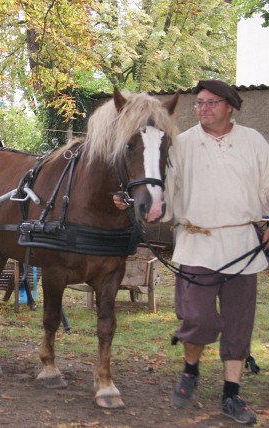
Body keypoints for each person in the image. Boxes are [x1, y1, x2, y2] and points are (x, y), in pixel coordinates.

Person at [114, 80, 269, 424]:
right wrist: (137, 203)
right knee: (197, 318)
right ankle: (190, 370)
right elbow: (164, 190)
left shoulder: (253, 142)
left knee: (239, 324)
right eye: (198, 104)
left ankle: (232, 394)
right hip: (197, 244)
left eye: (211, 103)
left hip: (243, 245)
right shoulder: (181, 145)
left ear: (230, 105)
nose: (203, 109)